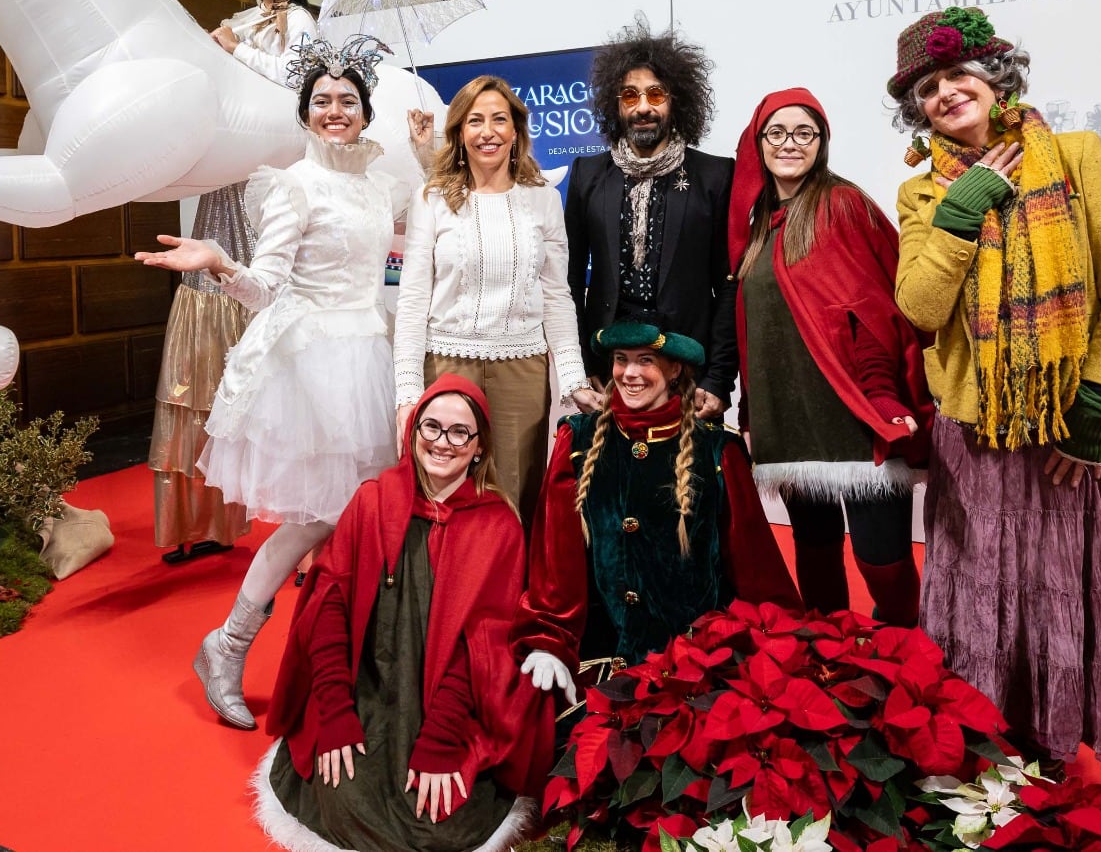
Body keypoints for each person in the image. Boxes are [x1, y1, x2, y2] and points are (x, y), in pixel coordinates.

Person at [888, 6, 1101, 765]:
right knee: (992, 587)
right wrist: (963, 206)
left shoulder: (1078, 156)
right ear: (915, 110)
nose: (946, 94)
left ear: (994, 76)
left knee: (1067, 584)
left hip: (1084, 426)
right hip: (981, 433)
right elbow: (919, 307)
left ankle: (1060, 744)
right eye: (927, 88)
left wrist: (1093, 415)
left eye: (957, 75)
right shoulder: (921, 195)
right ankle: (989, 737)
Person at [136, 36, 414, 730]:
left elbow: (422, 238)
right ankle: (226, 645)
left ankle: (338, 665)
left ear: (365, 110)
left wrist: (433, 151)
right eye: (321, 101)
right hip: (313, 367)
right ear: (305, 112)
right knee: (314, 519)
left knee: (366, 521)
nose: (334, 111)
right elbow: (266, 288)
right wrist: (222, 264)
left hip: (367, 355)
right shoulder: (292, 183)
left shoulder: (382, 184)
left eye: (347, 100)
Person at [254, 374, 552, 852]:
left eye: (459, 433)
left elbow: (486, 649)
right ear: (413, 433)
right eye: (430, 427)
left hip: (448, 712)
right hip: (364, 694)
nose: (442, 442)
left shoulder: (498, 526)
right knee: (348, 805)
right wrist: (334, 712)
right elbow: (328, 607)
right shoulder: (372, 501)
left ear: (479, 447)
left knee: (437, 827)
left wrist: (442, 738)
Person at [728, 88, 932, 626]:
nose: (790, 144)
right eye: (777, 132)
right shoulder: (756, 226)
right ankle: (829, 659)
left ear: (822, 142)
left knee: (881, 555)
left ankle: (906, 652)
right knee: (814, 549)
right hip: (789, 418)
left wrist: (883, 394)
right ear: (758, 141)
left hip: (855, 413)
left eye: (805, 133)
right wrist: (752, 413)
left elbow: (872, 311)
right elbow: (759, 332)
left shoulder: (843, 205)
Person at [511, 322, 798, 702]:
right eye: (620, 360)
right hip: (603, 660)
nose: (629, 373)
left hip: (696, 666)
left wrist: (779, 643)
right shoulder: (577, 439)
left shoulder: (716, 448)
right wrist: (549, 641)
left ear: (674, 370)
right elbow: (555, 562)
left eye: (645, 361)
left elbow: (755, 565)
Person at [148, 0, 318, 563]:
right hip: (222, 186)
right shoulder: (241, 20)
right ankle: (203, 523)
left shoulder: (299, 29)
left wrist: (231, 53)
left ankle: (289, 518)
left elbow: (290, 92)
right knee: (196, 359)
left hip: (263, 187)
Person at [398, 76, 601, 532]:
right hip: (445, 364)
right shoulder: (431, 199)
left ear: (515, 132)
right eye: (475, 121)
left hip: (522, 370)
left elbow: (557, 295)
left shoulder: (544, 200)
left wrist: (571, 376)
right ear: (459, 134)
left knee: (515, 496)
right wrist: (408, 392)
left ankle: (512, 598)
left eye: (499, 119)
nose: (487, 131)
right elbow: (412, 298)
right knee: (444, 494)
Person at [566, 20, 737, 420]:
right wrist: (584, 369)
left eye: (655, 94)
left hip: (688, 370)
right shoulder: (588, 174)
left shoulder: (715, 176)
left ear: (676, 100)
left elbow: (729, 286)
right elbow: (570, 282)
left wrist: (718, 379)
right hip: (608, 368)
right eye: (630, 95)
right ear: (616, 103)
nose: (643, 107)